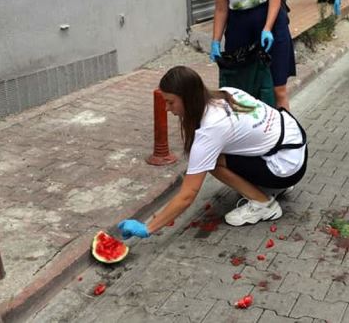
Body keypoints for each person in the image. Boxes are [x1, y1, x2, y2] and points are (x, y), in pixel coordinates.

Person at [115, 66, 308, 237]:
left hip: (286, 167)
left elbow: (188, 194)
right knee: (216, 155)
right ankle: (272, 186)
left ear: (188, 98)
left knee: (212, 162)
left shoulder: (210, 129)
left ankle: (264, 205)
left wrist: (148, 228)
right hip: (294, 146)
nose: (166, 108)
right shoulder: (226, 93)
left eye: (171, 102)